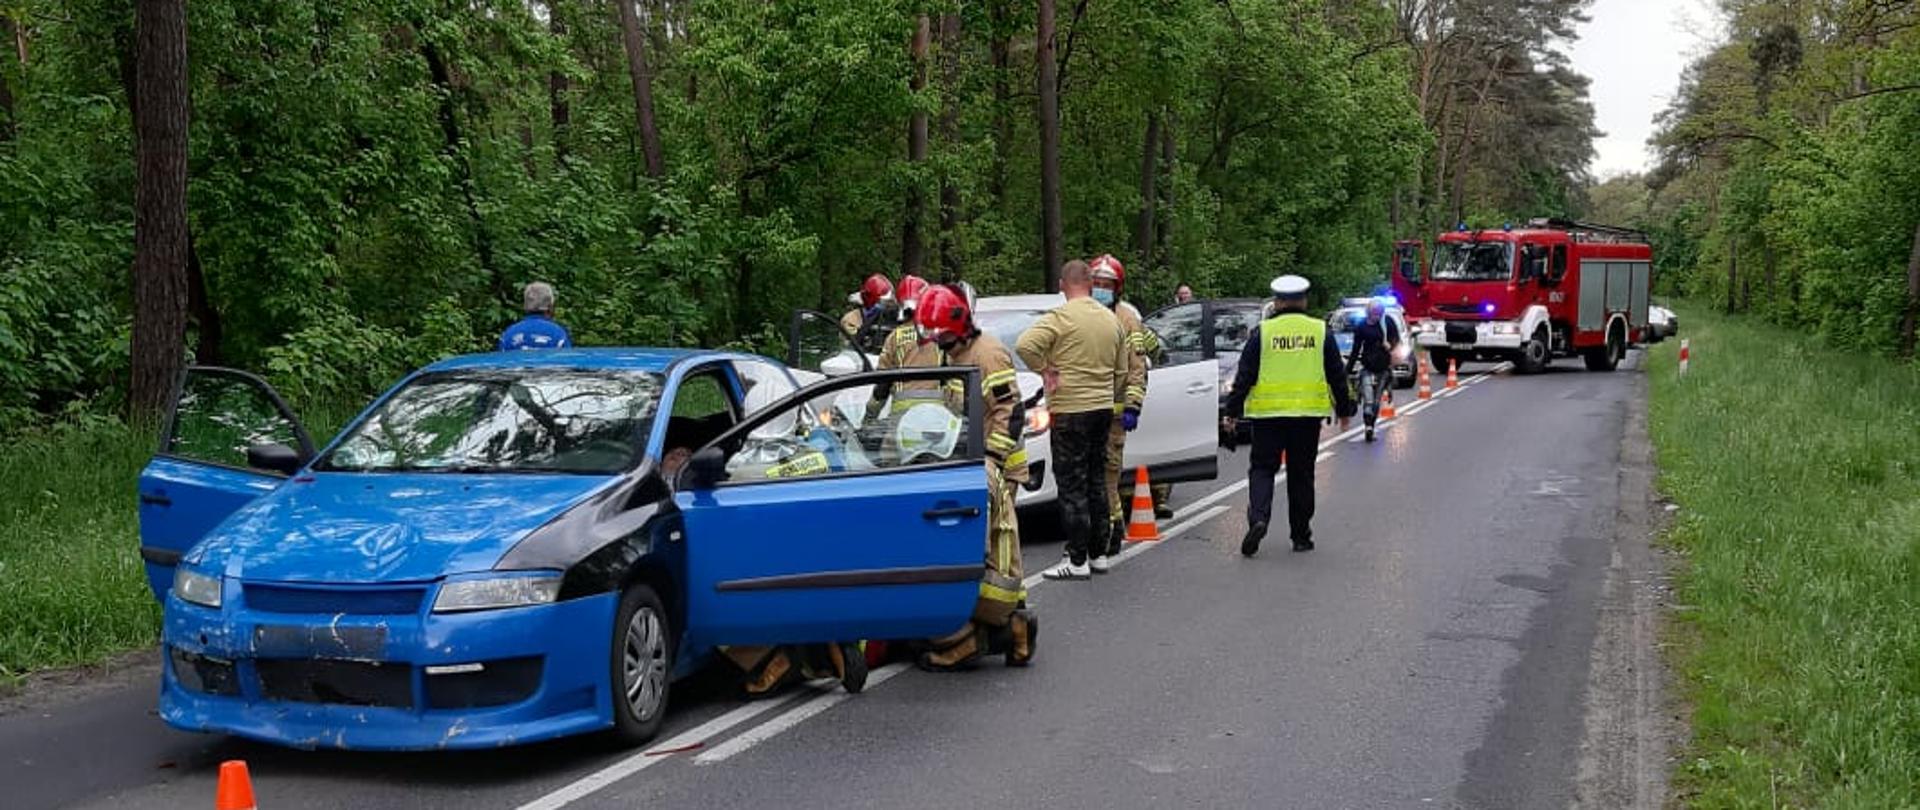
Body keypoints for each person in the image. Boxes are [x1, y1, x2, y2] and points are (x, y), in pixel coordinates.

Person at [915, 283, 1037, 670]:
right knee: (994, 549)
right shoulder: (954, 354)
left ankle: (991, 631)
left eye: (944, 335)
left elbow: (1010, 413)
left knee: (993, 554)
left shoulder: (988, 354)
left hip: (996, 468)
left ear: (961, 324)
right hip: (972, 468)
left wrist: (991, 462)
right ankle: (1013, 626)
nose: (940, 342)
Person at [1221, 274, 1355, 557]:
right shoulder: (1320, 331)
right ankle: (1301, 536)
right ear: (1304, 300)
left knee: (1262, 469)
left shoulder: (1263, 333)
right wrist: (1344, 410)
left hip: (1268, 418)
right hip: (1306, 418)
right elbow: (1337, 375)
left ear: (1278, 302)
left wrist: (1231, 413)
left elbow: (1244, 376)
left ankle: (1258, 518)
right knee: (1301, 474)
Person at [1018, 260, 1131, 581]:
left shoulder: (1060, 317)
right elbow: (1122, 371)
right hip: (1101, 410)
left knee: (1071, 484)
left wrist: (1046, 369)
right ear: (1090, 283)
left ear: (1062, 284)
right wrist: (1107, 390)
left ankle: (1077, 558)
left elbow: (1025, 345)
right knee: (1096, 480)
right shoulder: (1111, 321)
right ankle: (1098, 554)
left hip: (1069, 410)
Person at [1089, 255, 1152, 566]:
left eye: (1106, 285)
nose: (1100, 289)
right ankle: (1096, 531)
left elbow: (1137, 367)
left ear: (1117, 288)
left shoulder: (1127, 319)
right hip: (1084, 411)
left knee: (1108, 475)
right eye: (1096, 284)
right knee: (1088, 476)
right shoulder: (1083, 316)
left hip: (1113, 414)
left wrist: (1133, 406)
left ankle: (1113, 530)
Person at [1345, 300, 1402, 443]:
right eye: (1373, 314)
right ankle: (1368, 427)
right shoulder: (1362, 327)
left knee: (1377, 401)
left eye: (1378, 314)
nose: (1375, 317)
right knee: (1368, 400)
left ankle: (1371, 424)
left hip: (1383, 368)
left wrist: (1390, 346)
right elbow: (1356, 349)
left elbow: (1396, 340)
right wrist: (1347, 370)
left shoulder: (1387, 323)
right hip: (1368, 367)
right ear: (1368, 313)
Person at [499, 282, 572, 351]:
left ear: (525, 306)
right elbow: (567, 362)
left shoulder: (509, 334)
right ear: (550, 307)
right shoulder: (558, 334)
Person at [841, 273, 896, 338]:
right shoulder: (850, 321)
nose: (888, 307)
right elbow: (852, 344)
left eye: (890, 303)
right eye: (885, 303)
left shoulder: (892, 321)